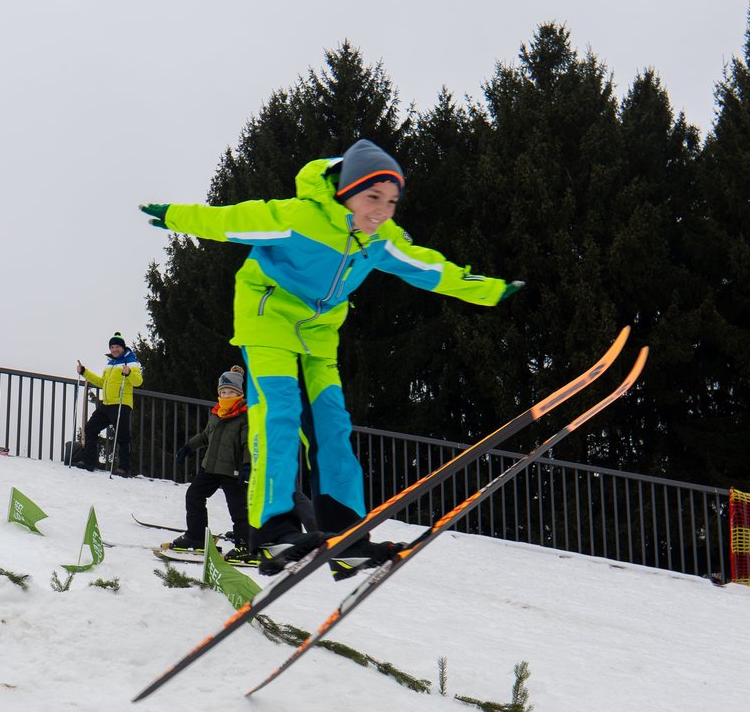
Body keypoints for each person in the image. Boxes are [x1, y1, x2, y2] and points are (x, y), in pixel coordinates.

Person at [141, 139, 521, 566]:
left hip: (320, 333)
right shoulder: (299, 218)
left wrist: (490, 291)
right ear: (347, 190)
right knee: (279, 412)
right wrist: (173, 216)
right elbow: (232, 220)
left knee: (333, 425)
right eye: (373, 196)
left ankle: (347, 537)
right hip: (268, 317)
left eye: (392, 201)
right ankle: (274, 529)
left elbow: (429, 269)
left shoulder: (380, 240)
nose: (381, 210)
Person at [166, 365, 252, 554]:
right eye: (223, 392)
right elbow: (206, 436)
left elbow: (248, 443)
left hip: (233, 470)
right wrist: (188, 447)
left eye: (230, 392)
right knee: (194, 496)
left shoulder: (245, 415)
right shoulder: (216, 413)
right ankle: (196, 537)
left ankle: (245, 544)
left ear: (239, 393)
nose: (226, 396)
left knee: (238, 508)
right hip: (210, 467)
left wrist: (247, 465)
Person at [73, 333, 142, 477]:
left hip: (122, 403)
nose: (114, 349)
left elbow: (138, 382)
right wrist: (85, 372)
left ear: (122, 348)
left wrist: (129, 373)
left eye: (117, 347)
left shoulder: (131, 362)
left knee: (122, 436)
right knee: (90, 427)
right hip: (107, 404)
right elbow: (101, 382)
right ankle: (89, 461)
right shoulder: (109, 364)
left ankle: (124, 468)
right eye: (112, 347)